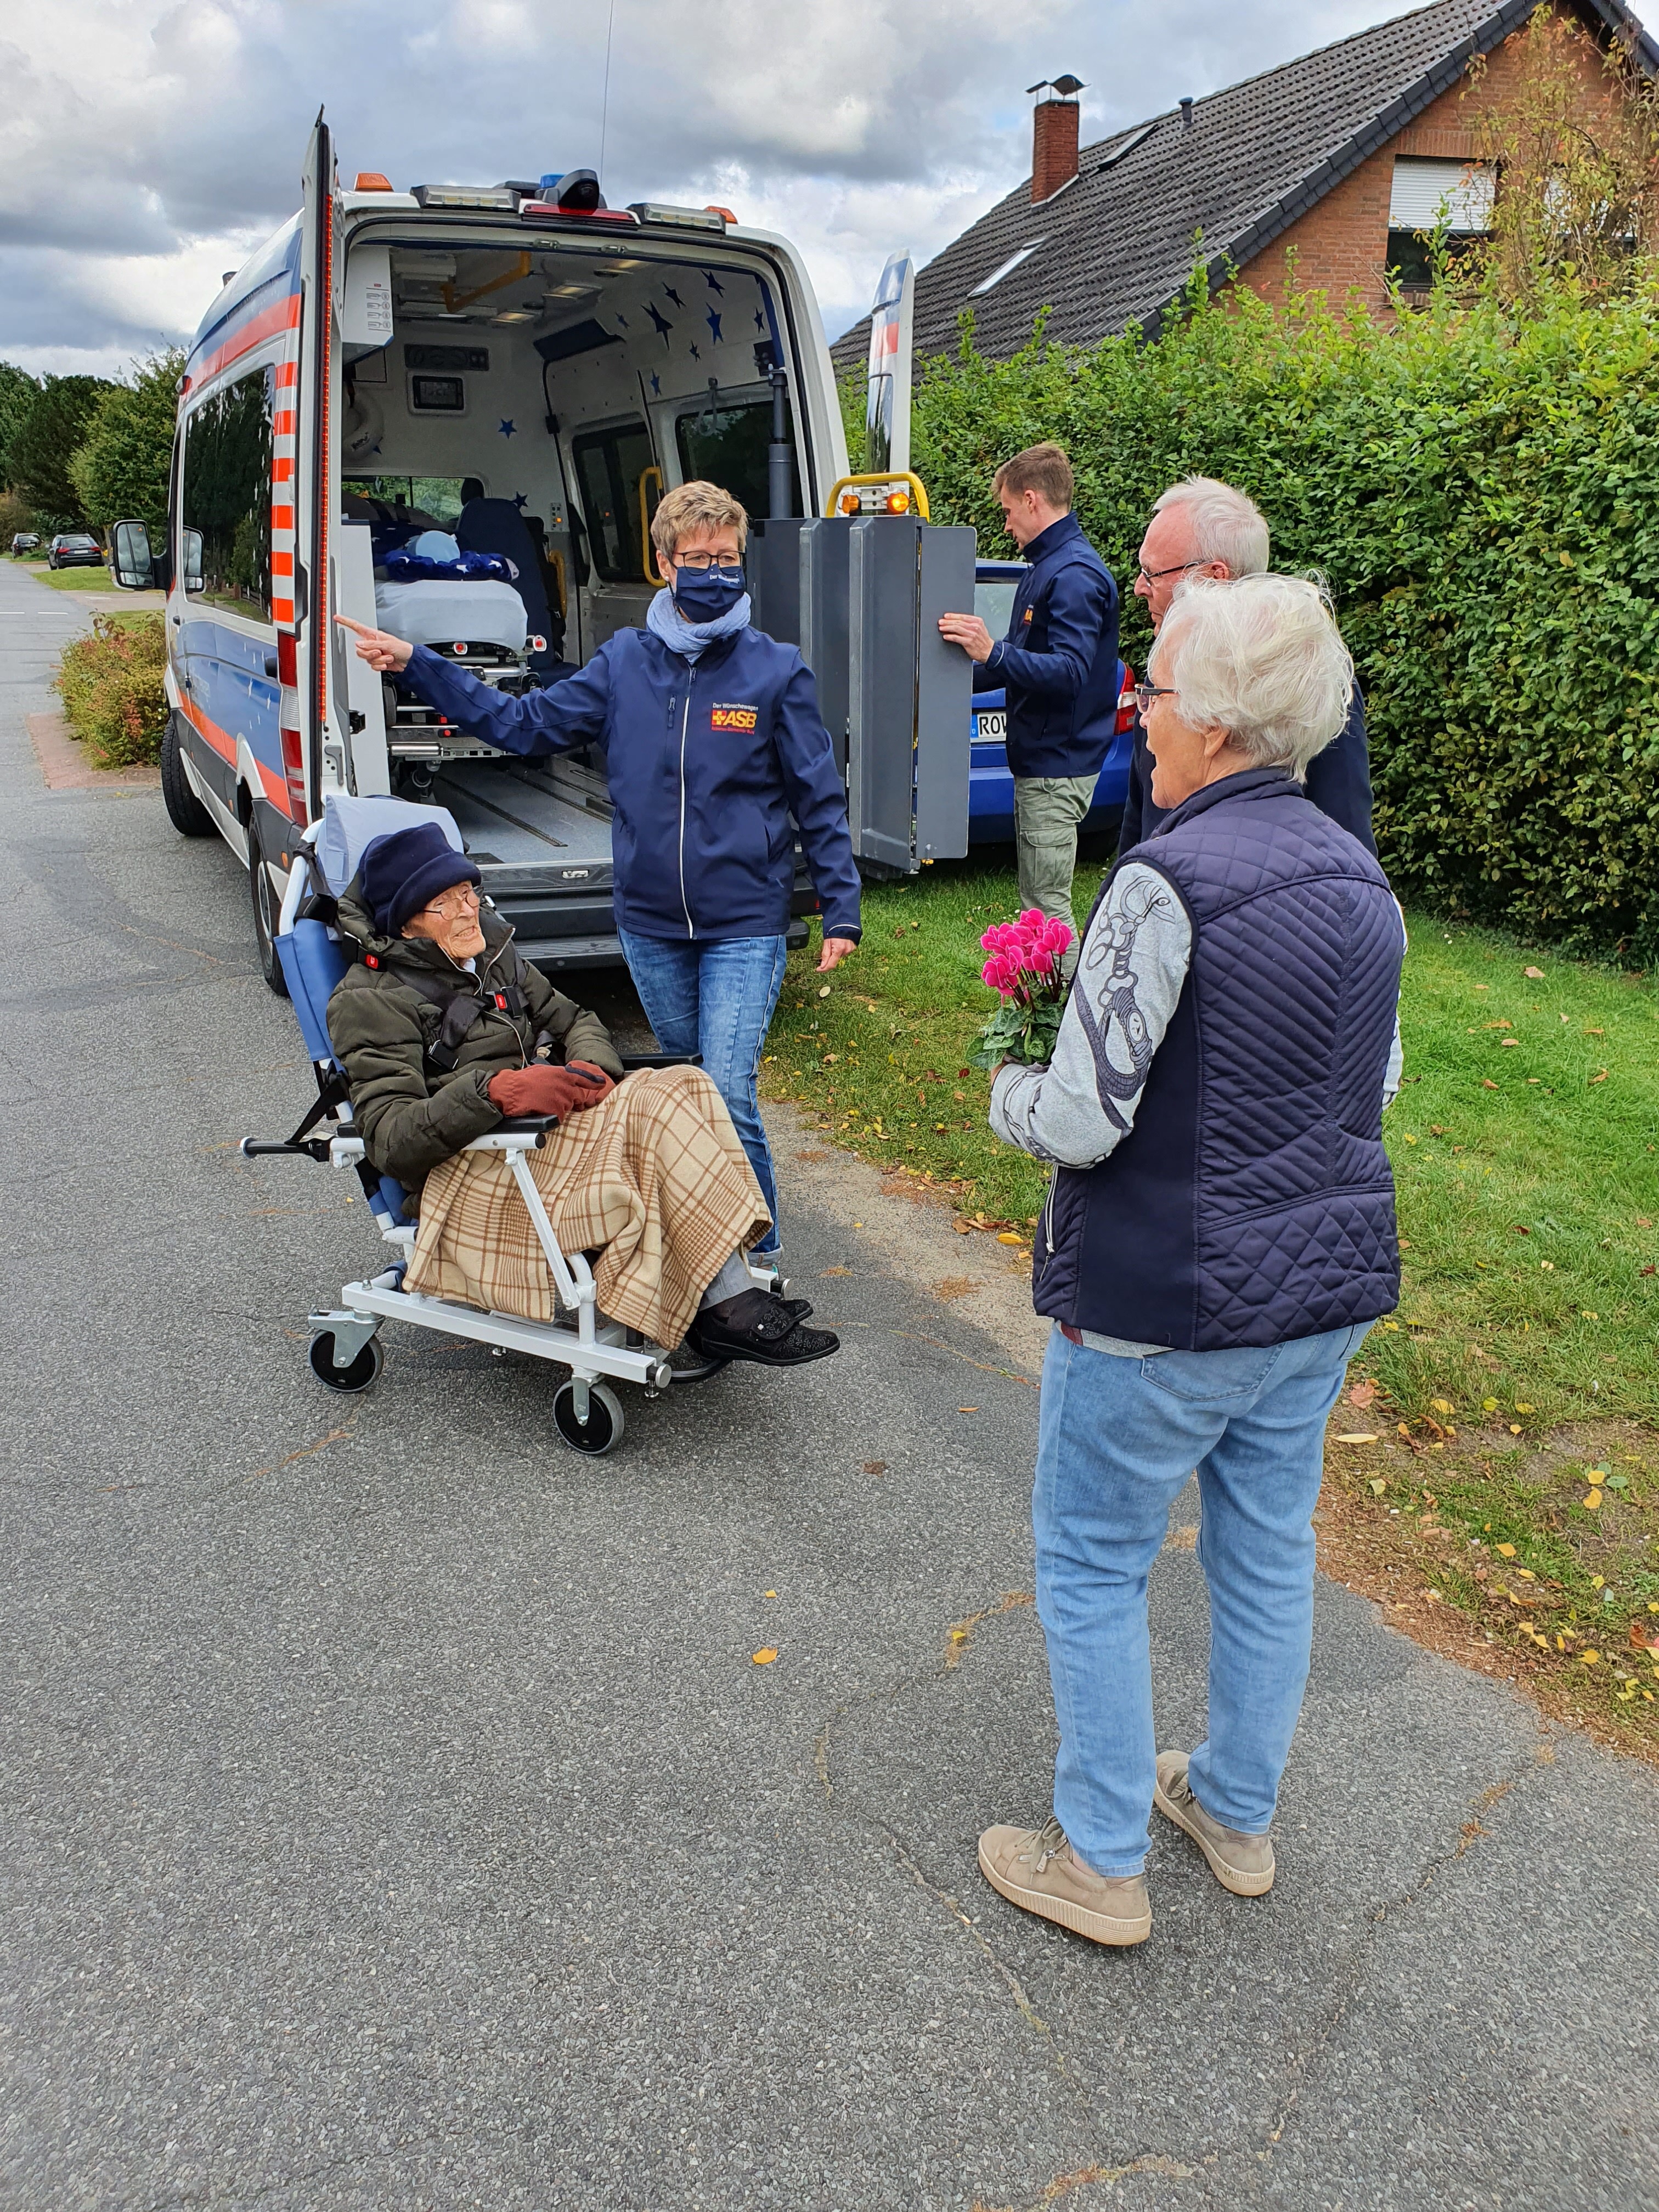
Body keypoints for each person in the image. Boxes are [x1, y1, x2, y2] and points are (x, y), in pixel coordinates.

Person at [977, 572, 1404, 1948]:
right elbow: (1371, 1087)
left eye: (1153, 692)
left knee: (1092, 1562)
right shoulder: (1364, 881)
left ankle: (1100, 1860)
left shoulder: (1166, 880)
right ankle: (1233, 1808)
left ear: (1214, 726)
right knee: (1268, 1553)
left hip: (1164, 1299)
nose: (1139, 713)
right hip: (1318, 1292)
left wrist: (1002, 1087)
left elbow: (1085, 1120)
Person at [338, 479, 861, 1274]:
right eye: (698, 557)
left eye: (728, 557)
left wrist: (842, 906)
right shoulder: (625, 663)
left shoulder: (774, 671)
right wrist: (422, 664)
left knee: (726, 1091)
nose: (715, 570)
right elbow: (523, 724)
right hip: (650, 920)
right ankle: (698, 1246)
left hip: (743, 920)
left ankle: (757, 1260)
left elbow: (818, 794)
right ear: (664, 563)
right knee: (684, 1090)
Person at [326, 819, 837, 1367]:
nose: (468, 909)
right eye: (444, 905)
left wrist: (590, 1069)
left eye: (467, 891)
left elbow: (577, 1019)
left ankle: (725, 1301)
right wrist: (496, 1092)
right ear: (406, 926)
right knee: (657, 1108)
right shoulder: (368, 1001)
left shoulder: (495, 955)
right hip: (470, 1168)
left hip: (539, 1139)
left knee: (687, 1084)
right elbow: (390, 1139)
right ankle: (728, 1309)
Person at [1118, 476, 1374, 854]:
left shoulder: (1305, 680)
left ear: (1212, 578)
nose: (1140, 587)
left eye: (1152, 573)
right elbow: (1142, 819)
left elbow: (1345, 839)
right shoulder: (1165, 675)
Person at [937, 443, 1119, 949]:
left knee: (1047, 910)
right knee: (1040, 903)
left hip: (1056, 767)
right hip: (1045, 762)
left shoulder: (1074, 576)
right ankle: (1046, 1014)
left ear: (1033, 499)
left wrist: (992, 652)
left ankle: (1065, 1021)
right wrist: (945, 683)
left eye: (1008, 510)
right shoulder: (1048, 566)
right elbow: (1022, 661)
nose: (1006, 524)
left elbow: (1070, 672)